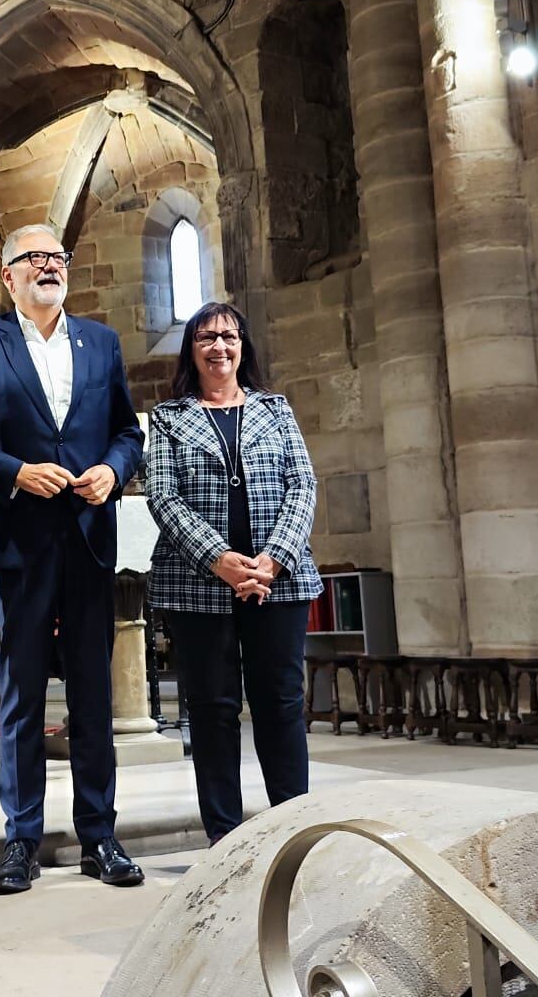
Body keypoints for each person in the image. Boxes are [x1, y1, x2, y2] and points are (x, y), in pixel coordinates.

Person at [0, 224, 145, 894]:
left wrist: (114, 473)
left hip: (90, 536)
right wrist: (13, 471)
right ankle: (21, 841)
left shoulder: (102, 343)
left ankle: (100, 836)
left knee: (94, 696)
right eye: (33, 258)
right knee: (22, 697)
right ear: (7, 277)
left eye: (56, 256)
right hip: (21, 541)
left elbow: (126, 430)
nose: (48, 265)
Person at [144, 302, 320, 846]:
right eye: (206, 338)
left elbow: (303, 484)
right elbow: (163, 496)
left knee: (280, 705)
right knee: (213, 709)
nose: (219, 346)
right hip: (199, 584)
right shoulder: (171, 417)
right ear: (191, 350)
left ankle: (293, 829)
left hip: (278, 581)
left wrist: (273, 558)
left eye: (229, 336)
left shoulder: (276, 408)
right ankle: (224, 835)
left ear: (243, 345)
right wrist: (218, 559)